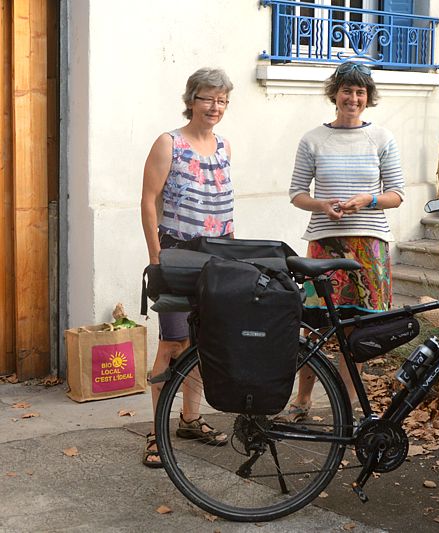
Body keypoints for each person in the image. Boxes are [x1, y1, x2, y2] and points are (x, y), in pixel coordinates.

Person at [284, 61, 404, 421]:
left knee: (358, 328)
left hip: (369, 245)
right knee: (314, 323)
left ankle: (349, 406)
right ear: (334, 94)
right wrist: (321, 204)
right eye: (347, 90)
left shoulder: (382, 138)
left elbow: (396, 194)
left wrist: (367, 200)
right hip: (324, 244)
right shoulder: (313, 139)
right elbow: (296, 193)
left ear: (368, 98)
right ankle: (301, 400)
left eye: (360, 92)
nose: (352, 98)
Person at [140, 67, 235, 467]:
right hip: (177, 255)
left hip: (218, 255)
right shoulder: (169, 143)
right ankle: (157, 433)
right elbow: (148, 201)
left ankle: (191, 420)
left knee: (202, 343)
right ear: (191, 100)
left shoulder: (225, 146)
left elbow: (225, 206)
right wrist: (157, 256)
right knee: (173, 342)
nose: (215, 107)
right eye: (208, 98)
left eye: (222, 100)